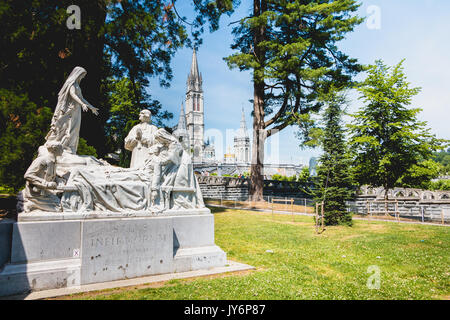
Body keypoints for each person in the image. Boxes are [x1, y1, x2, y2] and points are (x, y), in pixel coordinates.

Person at [45, 66, 98, 154]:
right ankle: (62, 145)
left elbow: (81, 98)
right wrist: (82, 104)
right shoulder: (71, 83)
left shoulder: (77, 85)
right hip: (70, 109)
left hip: (76, 110)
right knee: (67, 127)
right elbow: (73, 94)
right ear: (78, 74)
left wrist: (91, 107)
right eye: (82, 75)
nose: (83, 77)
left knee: (75, 129)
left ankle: (69, 147)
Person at [23, 142, 64, 212]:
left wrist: (59, 180)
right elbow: (28, 175)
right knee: (58, 208)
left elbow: (51, 175)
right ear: (54, 149)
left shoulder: (54, 161)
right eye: (61, 148)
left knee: (61, 206)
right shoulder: (42, 160)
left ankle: (35, 204)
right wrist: (46, 183)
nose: (62, 150)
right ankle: (32, 204)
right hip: (36, 192)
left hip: (45, 191)